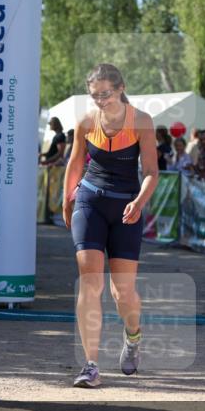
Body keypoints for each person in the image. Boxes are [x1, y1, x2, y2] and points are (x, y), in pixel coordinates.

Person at [62, 63, 158, 388]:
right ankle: (90, 364)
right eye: (95, 95)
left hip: (127, 206)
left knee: (123, 291)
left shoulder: (141, 121)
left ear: (120, 88)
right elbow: (76, 162)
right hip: (90, 201)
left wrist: (139, 202)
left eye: (106, 93)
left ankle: (133, 338)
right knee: (91, 282)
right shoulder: (86, 122)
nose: (101, 100)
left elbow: (151, 172)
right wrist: (66, 199)